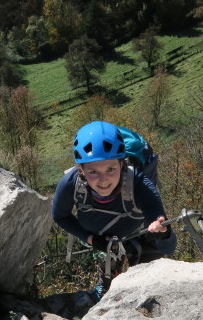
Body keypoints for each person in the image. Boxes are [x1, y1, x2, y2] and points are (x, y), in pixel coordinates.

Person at [51, 120, 176, 301]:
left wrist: (163, 233)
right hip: (101, 238)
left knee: (148, 283)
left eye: (111, 169)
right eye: (93, 172)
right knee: (108, 263)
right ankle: (107, 280)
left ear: (122, 164)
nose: (103, 180)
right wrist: (91, 239)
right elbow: (59, 216)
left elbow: (168, 247)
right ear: (81, 169)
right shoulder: (70, 183)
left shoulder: (139, 183)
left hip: (135, 233)